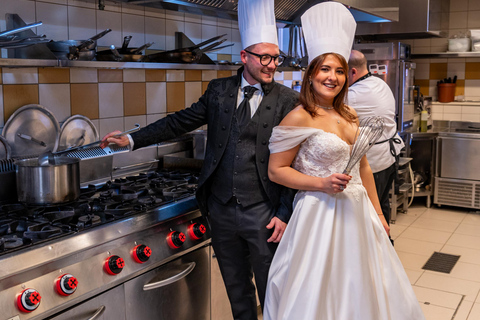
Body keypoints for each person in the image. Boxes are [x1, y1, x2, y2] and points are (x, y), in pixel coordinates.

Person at [100, 0, 298, 319]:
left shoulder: (289, 100)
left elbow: (296, 161)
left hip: (263, 211)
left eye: (276, 57)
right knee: (237, 288)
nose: (272, 64)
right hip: (220, 208)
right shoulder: (218, 91)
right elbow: (180, 121)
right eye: (265, 57)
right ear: (244, 56)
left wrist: (285, 212)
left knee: (273, 288)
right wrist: (133, 138)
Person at [263, 2, 425, 320]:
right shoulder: (298, 117)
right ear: (311, 74)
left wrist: (378, 213)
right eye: (325, 69)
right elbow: (276, 170)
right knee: (318, 288)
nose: (333, 77)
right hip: (316, 214)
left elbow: (362, 166)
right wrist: (320, 183)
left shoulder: (348, 115)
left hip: (357, 210)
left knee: (361, 282)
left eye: (339, 71)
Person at [347, 49, 405, 226]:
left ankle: (375, 250)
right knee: (382, 206)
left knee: (369, 213)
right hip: (388, 159)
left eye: (340, 71)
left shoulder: (353, 95)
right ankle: (385, 247)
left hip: (373, 164)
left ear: (353, 71)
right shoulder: (379, 83)